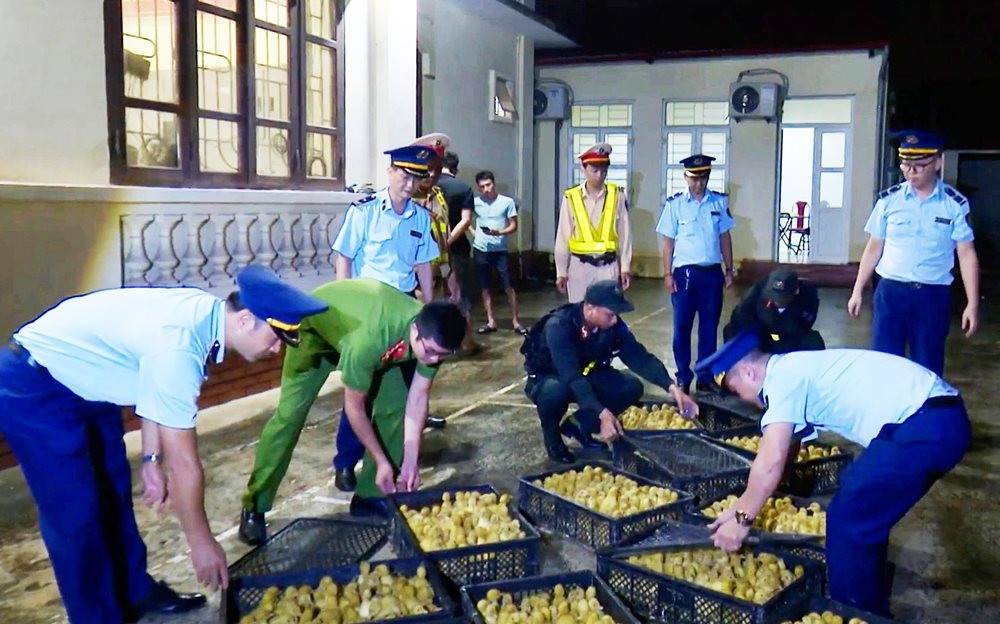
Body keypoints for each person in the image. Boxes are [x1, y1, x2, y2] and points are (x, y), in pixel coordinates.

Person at [0, 265, 328, 623]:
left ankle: (136, 594)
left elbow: (155, 387)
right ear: (247, 319)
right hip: (35, 387)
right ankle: (97, 617)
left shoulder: (205, 318)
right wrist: (201, 543)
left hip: (87, 381)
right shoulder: (181, 344)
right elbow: (184, 465)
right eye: (277, 336)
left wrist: (150, 459)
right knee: (76, 515)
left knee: (113, 493)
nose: (277, 350)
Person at [697, 330, 971, 618]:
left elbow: (772, 459)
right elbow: (787, 448)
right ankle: (870, 608)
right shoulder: (795, 368)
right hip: (937, 419)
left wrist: (743, 519)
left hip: (925, 425)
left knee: (848, 517)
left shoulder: (783, 379)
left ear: (749, 373)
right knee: (866, 513)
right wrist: (744, 503)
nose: (746, 402)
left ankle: (854, 614)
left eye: (738, 391)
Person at [239, 279, 465, 544]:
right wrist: (383, 460)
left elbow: (418, 397)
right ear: (415, 331)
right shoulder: (372, 340)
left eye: (441, 356)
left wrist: (411, 460)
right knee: (289, 418)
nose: (433, 360)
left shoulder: (432, 338)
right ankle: (254, 504)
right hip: (315, 337)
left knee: (396, 406)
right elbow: (354, 408)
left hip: (368, 336)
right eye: (430, 352)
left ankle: (370, 496)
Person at [329, 143, 446, 492]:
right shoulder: (364, 212)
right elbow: (344, 258)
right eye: (405, 175)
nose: (410, 184)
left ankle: (394, 457)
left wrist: (429, 308)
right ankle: (346, 462)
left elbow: (424, 264)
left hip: (406, 311)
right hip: (367, 313)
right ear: (391, 172)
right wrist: (343, 307)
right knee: (360, 390)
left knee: (408, 388)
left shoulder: (420, 218)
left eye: (417, 179)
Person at [520, 280, 698, 463]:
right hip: (552, 377)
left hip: (584, 374)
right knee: (554, 392)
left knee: (631, 387)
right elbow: (571, 376)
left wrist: (671, 387)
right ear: (590, 308)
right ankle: (553, 440)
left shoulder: (612, 326)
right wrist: (602, 412)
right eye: (610, 314)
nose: (615, 319)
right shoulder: (559, 326)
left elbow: (638, 356)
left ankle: (579, 424)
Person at [847, 130, 979, 376]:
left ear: (938, 162)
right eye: (906, 165)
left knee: (927, 366)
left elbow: (967, 255)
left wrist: (972, 303)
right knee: (883, 363)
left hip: (932, 296)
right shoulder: (888, 201)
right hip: (890, 293)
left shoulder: (955, 204)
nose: (911, 172)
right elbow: (874, 247)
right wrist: (857, 290)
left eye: (919, 165)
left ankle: (923, 413)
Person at [655, 154, 735, 392]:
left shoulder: (718, 203)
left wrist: (729, 269)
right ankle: (682, 375)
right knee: (682, 327)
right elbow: (668, 243)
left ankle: (704, 376)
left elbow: (725, 238)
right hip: (685, 275)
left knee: (709, 328)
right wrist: (667, 274)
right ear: (685, 177)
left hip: (712, 274)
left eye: (703, 178)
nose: (698, 183)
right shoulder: (675, 205)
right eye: (694, 178)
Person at [554, 142, 633, 302]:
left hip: (608, 267)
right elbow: (563, 237)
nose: (599, 175)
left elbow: (625, 235)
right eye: (594, 170)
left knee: (607, 315)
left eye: (604, 171)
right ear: (583, 168)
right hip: (579, 268)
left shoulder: (617, 196)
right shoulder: (571, 198)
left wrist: (625, 267)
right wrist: (561, 271)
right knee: (580, 315)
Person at [472, 170, 527, 336]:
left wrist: (500, 232)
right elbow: (466, 218)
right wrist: (474, 232)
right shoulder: (475, 202)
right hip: (481, 249)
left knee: (508, 286)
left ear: (494, 183)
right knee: (485, 286)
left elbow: (514, 225)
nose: (486, 189)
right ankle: (491, 320)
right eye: (482, 187)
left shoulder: (507, 202)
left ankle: (516, 320)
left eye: (488, 185)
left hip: (500, 249)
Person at [722, 267, 824, 352]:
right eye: (773, 296)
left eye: (782, 297)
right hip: (762, 336)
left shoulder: (807, 296)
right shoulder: (756, 293)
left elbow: (802, 327)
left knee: (814, 342)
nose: (776, 301)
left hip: (790, 337)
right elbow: (739, 320)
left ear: (795, 292)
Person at [438, 150, 480, 354]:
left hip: (429, 251)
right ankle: (466, 341)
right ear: (456, 168)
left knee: (434, 294)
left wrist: (438, 243)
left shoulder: (429, 187)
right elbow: (465, 221)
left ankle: (436, 341)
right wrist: (448, 241)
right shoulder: (463, 188)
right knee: (460, 296)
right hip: (457, 250)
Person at [410, 133, 453, 299]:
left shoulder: (438, 195)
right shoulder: (405, 201)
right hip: (413, 281)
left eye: (438, 169)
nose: (433, 174)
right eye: (429, 169)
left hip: (438, 278)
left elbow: (444, 235)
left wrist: (450, 272)